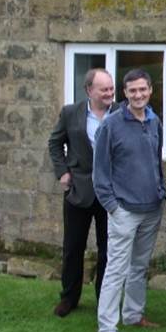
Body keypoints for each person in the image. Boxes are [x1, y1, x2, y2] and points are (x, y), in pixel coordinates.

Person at [93, 68, 166, 332]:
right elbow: (100, 173)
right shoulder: (111, 125)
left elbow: (155, 161)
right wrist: (112, 206)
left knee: (139, 267)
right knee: (115, 270)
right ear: (125, 93)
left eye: (143, 90)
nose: (138, 95)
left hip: (151, 209)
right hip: (124, 210)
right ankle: (107, 331)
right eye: (132, 90)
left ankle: (134, 315)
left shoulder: (154, 120)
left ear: (150, 91)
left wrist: (160, 192)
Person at [47, 68, 116, 318]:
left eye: (111, 88)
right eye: (104, 89)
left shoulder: (120, 113)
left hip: (110, 194)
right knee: (73, 247)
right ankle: (69, 297)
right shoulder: (70, 113)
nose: (109, 93)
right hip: (78, 190)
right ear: (89, 90)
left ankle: (104, 300)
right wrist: (62, 173)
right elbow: (54, 143)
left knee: (108, 249)